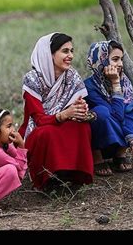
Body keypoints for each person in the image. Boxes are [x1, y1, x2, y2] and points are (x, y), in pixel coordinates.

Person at [18, 33, 94, 192]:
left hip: (61, 123)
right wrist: (64, 115)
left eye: (72, 51)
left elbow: (76, 104)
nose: (70, 56)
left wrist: (80, 109)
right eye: (65, 51)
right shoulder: (32, 79)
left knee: (81, 127)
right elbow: (38, 119)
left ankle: (73, 176)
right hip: (38, 129)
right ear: (50, 54)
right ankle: (47, 179)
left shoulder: (72, 76)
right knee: (47, 133)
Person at [85, 40, 133, 176]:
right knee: (101, 112)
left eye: (121, 59)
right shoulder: (88, 86)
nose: (120, 64)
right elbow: (117, 115)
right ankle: (96, 157)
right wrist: (115, 84)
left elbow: (128, 114)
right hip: (101, 139)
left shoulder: (125, 82)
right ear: (101, 60)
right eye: (115, 59)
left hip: (119, 134)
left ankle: (120, 152)